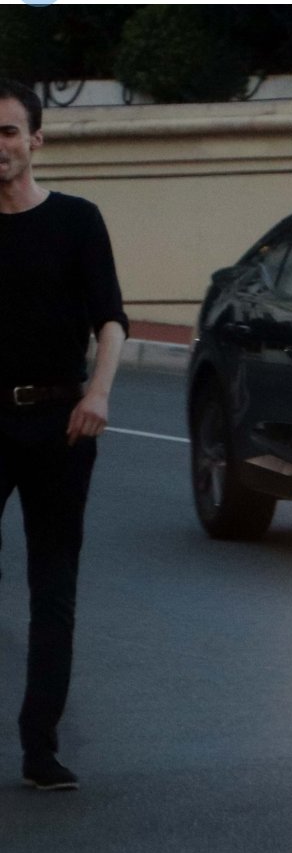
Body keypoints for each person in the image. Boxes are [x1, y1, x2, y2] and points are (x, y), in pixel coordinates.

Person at [0, 78, 128, 790]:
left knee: (53, 588)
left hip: (61, 422)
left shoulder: (77, 221)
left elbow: (110, 318)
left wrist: (100, 393)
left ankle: (39, 746)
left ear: (36, 140)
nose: (0, 148)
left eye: (9, 133)